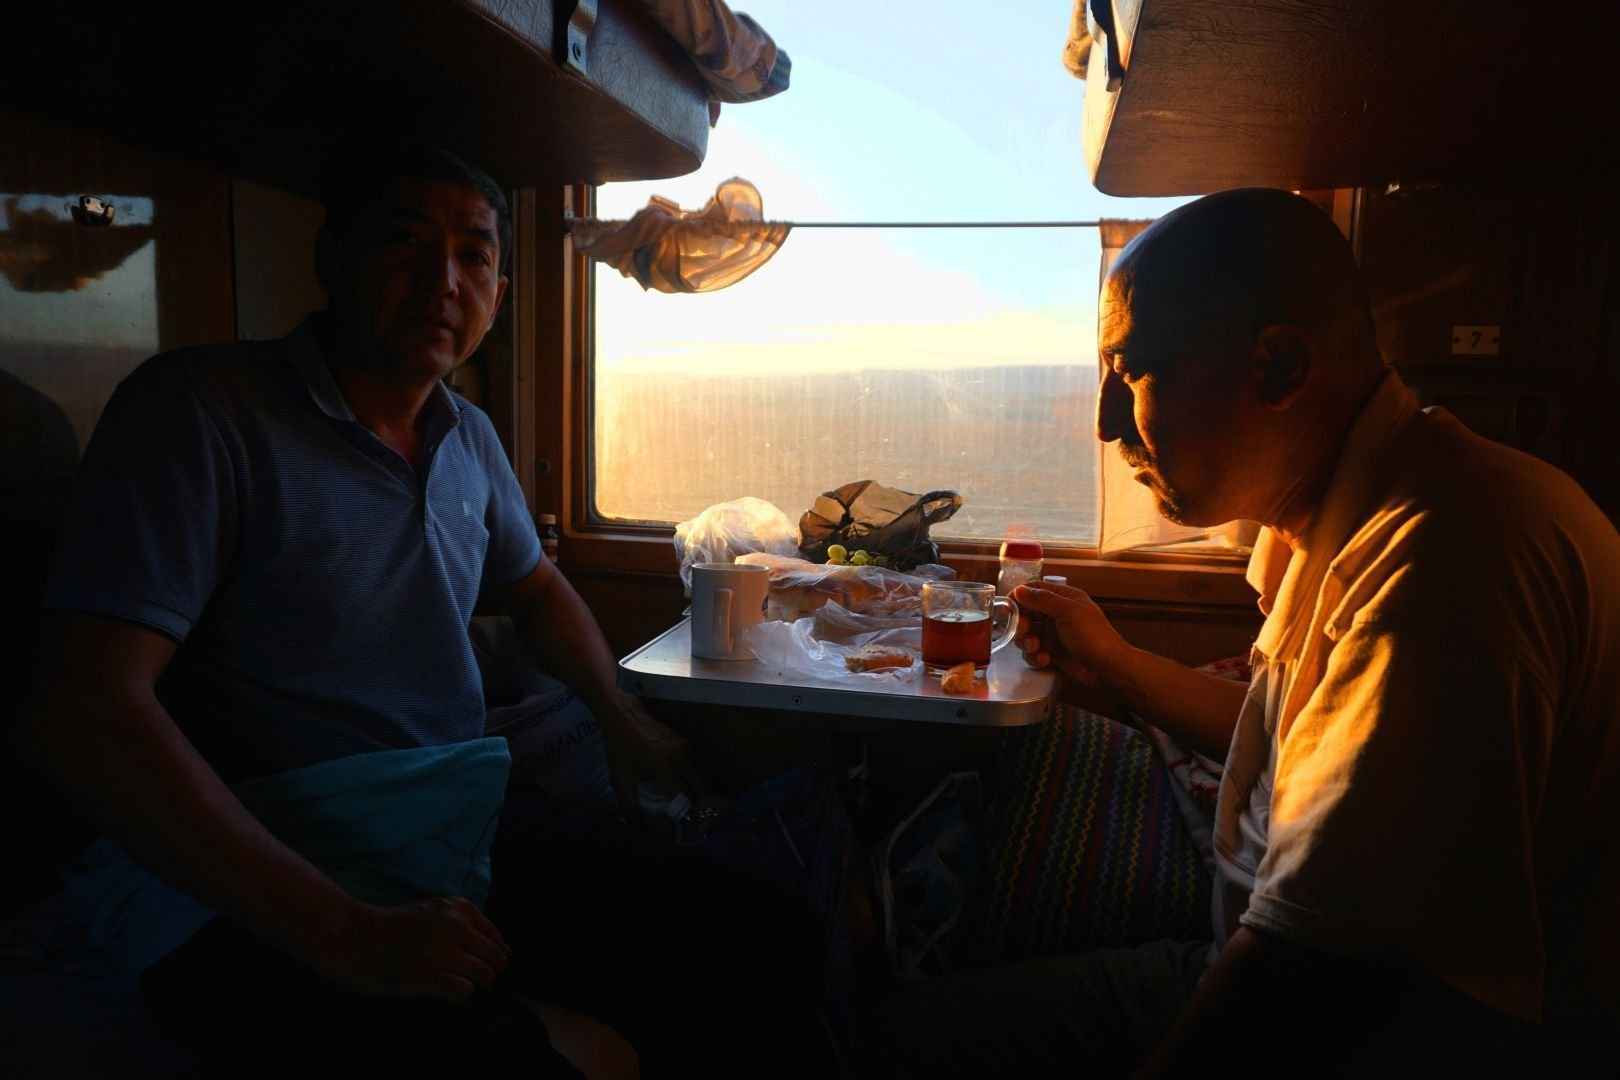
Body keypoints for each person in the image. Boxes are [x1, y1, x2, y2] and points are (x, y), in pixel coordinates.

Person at [11, 142, 829, 1078]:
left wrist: (621, 717)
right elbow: (85, 710)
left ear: (500, 293)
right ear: (332, 259)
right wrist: (344, 932)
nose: (444, 281)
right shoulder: (202, 413)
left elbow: (535, 587)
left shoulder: (466, 436)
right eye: (406, 243)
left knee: (762, 936)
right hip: (259, 857)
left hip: (444, 817)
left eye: (474, 256)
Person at [866, 188, 1620, 1078]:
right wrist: (1114, 663)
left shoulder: (1436, 572)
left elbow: (1302, 983)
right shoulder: (1368, 507)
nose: (1105, 423)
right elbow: (1306, 749)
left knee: (887, 1039)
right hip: (1296, 952)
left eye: (1130, 371)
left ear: (1278, 368)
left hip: (1394, 1033)